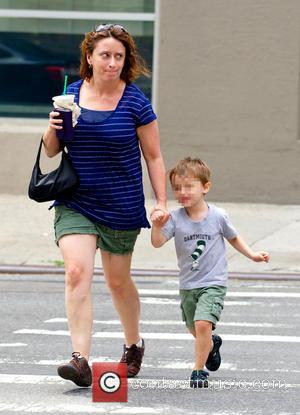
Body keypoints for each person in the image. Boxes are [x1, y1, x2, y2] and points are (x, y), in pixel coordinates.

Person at [42, 23, 168, 387]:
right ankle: (80, 358)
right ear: (89, 57)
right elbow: (52, 148)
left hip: (120, 203)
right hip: (76, 199)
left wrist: (160, 202)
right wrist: (53, 125)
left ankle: (133, 343)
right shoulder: (71, 93)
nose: (112, 62)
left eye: (118, 56)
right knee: (77, 273)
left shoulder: (135, 101)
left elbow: (155, 157)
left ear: (124, 60)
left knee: (117, 281)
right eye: (105, 55)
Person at [151, 157, 270, 388]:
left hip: (213, 282)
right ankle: (211, 344)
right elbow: (157, 243)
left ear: (205, 187)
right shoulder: (175, 218)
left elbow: (233, 238)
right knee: (194, 328)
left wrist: (253, 255)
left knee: (203, 324)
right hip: (188, 284)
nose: (182, 192)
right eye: (177, 188)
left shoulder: (218, 216)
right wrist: (157, 225)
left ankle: (198, 370)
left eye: (188, 186)